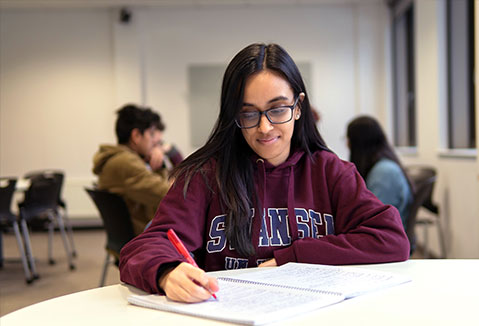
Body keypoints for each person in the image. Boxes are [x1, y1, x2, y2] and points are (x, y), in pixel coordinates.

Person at [119, 43, 410, 303]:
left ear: (298, 107)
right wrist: (167, 272)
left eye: (278, 109)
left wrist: (293, 257)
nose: (264, 127)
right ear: (233, 116)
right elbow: (143, 247)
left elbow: (390, 238)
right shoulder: (205, 175)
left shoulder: (330, 171)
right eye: (248, 113)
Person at [92, 104, 171, 235]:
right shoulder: (127, 162)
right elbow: (167, 196)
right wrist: (161, 165)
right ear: (136, 136)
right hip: (143, 238)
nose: (153, 142)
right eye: (151, 135)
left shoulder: (117, 159)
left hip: (129, 234)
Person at [346, 116, 414, 229]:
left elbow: (375, 218)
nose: (347, 144)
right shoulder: (382, 167)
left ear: (358, 142)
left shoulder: (384, 172)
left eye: (348, 139)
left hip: (387, 238)